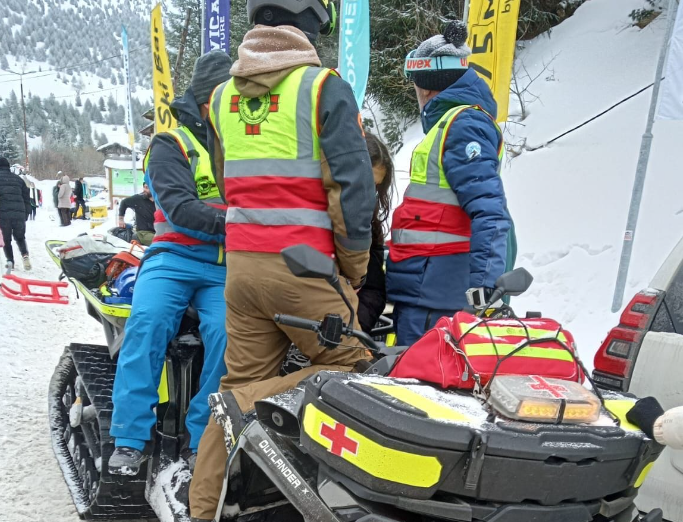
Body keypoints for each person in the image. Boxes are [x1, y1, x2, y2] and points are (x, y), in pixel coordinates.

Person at [189, 1, 376, 518]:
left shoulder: (222, 96)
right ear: (311, 27)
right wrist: (353, 270)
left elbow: (228, 183)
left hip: (242, 271)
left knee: (235, 388)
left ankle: (202, 510)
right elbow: (352, 190)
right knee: (354, 372)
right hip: (306, 269)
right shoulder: (322, 87)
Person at [108, 51, 233, 477]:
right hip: (173, 258)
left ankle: (203, 438)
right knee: (148, 320)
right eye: (225, 95)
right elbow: (180, 209)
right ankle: (128, 437)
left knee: (229, 334)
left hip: (225, 265)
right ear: (205, 100)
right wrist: (245, 221)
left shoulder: (245, 146)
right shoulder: (170, 144)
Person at [386, 21, 514, 347]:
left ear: (427, 87)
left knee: (418, 389)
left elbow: (490, 212)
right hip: (425, 286)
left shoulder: (463, 125)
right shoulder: (450, 125)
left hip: (437, 295)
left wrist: (484, 292)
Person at [280, 131, 394, 375]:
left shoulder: (369, 223)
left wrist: (352, 331)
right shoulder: (305, 212)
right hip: (294, 316)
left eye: (374, 188)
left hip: (340, 325)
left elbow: (373, 289)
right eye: (363, 186)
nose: (367, 196)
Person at [0, 156, 32, 272]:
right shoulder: (19, 179)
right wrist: (26, 213)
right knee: (20, 237)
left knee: (6, 239)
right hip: (19, 213)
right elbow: (27, 198)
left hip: (3, 215)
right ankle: (25, 255)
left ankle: (10, 261)